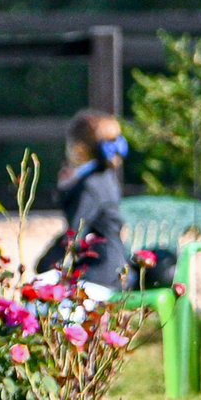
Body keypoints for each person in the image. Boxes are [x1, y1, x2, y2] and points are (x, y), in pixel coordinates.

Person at [34, 108, 132, 293]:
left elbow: (75, 233)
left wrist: (45, 264)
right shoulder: (104, 176)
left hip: (101, 272)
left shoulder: (90, 186)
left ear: (79, 148)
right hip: (113, 267)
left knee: (39, 288)